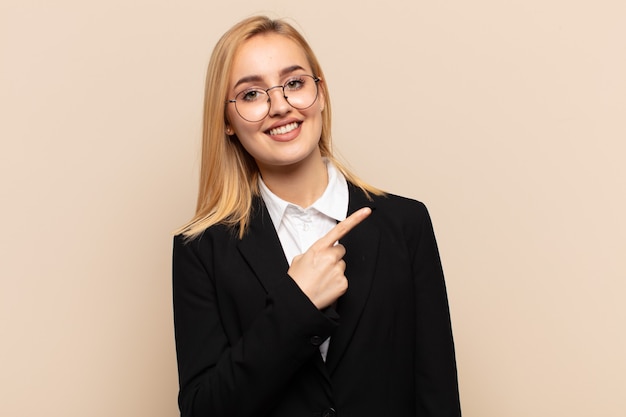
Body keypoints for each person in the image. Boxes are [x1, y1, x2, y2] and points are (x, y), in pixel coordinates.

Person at [172, 15, 461, 417]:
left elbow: (437, 394)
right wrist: (296, 305)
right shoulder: (201, 249)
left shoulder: (405, 224)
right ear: (227, 123)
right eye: (252, 94)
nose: (280, 106)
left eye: (294, 83)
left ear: (320, 93)